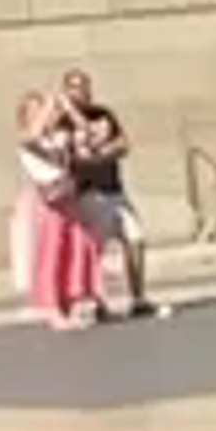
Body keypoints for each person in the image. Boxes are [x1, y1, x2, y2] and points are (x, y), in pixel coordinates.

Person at [49, 69, 156, 321]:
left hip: (114, 190)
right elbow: (65, 157)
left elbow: (122, 145)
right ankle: (96, 301)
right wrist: (86, 157)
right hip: (88, 194)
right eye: (74, 87)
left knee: (135, 239)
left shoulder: (103, 114)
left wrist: (99, 155)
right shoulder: (60, 122)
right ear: (65, 91)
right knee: (96, 251)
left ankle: (138, 298)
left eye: (84, 86)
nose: (80, 92)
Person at [9, 90, 107, 328]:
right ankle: (52, 307)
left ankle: (76, 299)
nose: (45, 114)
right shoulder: (30, 141)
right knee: (52, 252)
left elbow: (88, 132)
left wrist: (68, 109)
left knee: (79, 248)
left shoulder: (59, 137)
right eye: (35, 110)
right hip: (47, 202)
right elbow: (33, 136)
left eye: (43, 109)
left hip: (68, 196)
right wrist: (47, 109)